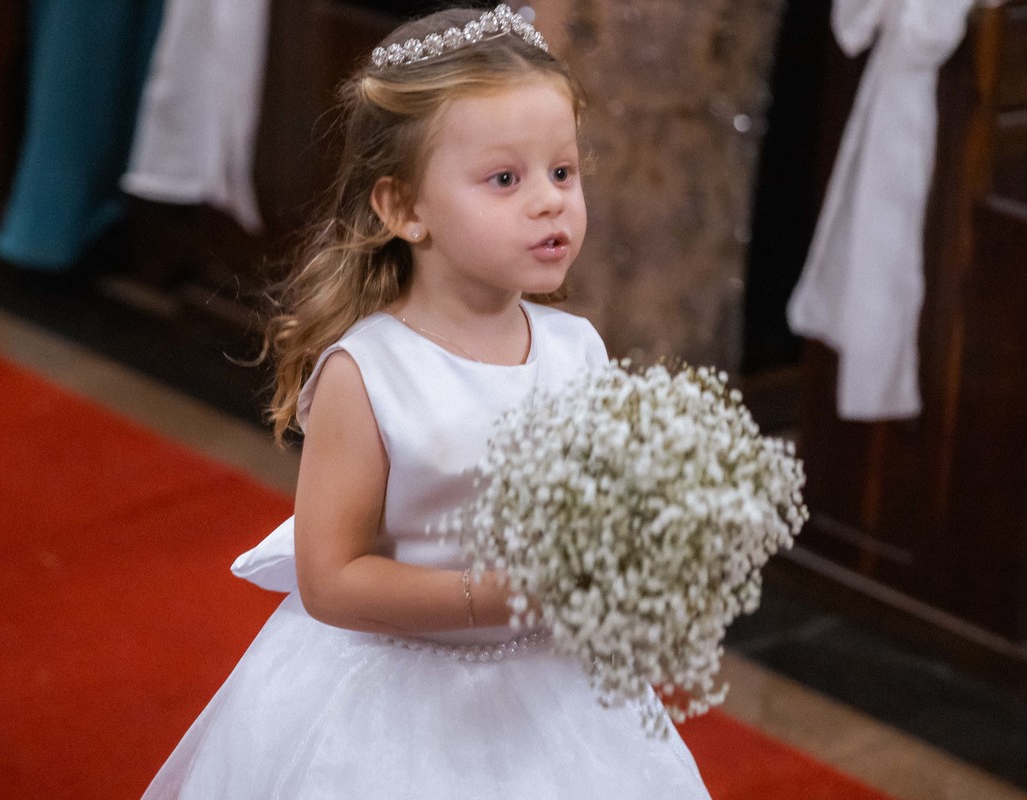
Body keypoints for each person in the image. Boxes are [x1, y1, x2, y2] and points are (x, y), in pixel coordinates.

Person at [141, 6, 713, 798]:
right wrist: (499, 598)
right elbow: (331, 578)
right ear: (403, 209)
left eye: (564, 172)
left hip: (551, 692)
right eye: (505, 179)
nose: (550, 202)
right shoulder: (369, 373)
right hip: (398, 697)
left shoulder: (576, 349)